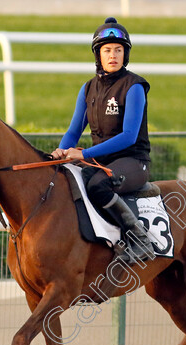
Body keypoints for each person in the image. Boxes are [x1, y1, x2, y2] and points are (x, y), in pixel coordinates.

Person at [52, 17, 155, 262]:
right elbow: (74, 132)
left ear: (125, 55)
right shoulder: (87, 89)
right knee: (65, 178)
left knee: (97, 185)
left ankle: (140, 241)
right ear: (98, 55)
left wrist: (84, 154)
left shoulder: (135, 86)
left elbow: (129, 137)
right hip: (102, 161)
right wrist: (60, 151)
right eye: (107, 50)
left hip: (133, 161)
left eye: (118, 50)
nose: (113, 55)